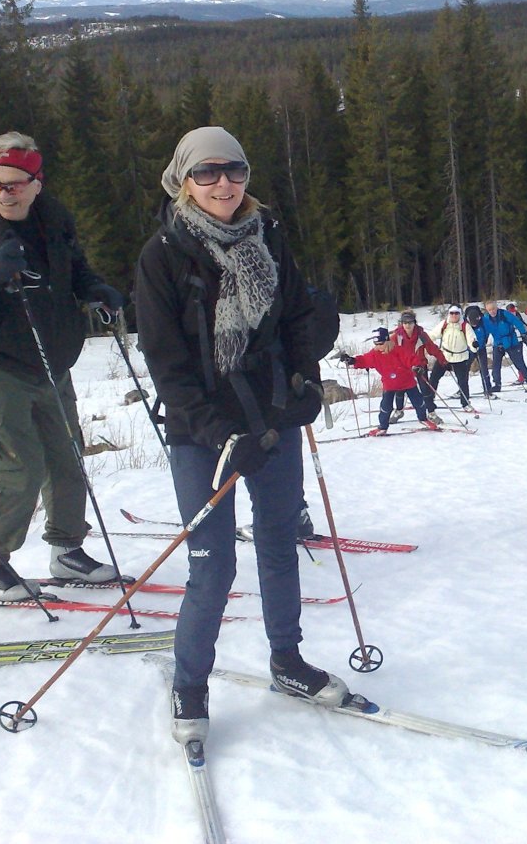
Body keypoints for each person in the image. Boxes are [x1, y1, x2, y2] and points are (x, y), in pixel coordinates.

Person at [135, 126, 347, 744]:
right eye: (208, 172)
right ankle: (190, 686)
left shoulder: (270, 237)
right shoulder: (165, 254)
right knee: (213, 566)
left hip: (271, 421)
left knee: (280, 544)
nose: (223, 182)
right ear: (184, 180)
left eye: (234, 170)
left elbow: (295, 319)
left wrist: (306, 377)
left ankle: (287, 661)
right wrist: (220, 429)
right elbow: (166, 362)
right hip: (203, 433)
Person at [0, 132, 124, 600]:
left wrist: (95, 290)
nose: (3, 193)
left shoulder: (53, 216)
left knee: (67, 459)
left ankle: (66, 549)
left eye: (16, 183)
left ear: (37, 182)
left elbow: (75, 268)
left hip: (50, 362)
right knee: (17, 469)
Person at [342, 328, 437, 435]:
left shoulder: (399, 350)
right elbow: (364, 360)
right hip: (389, 384)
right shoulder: (375, 354)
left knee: (418, 402)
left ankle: (423, 419)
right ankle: (382, 427)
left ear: (387, 341)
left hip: (407, 382)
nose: (378, 346)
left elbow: (411, 359)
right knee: (386, 406)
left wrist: (417, 366)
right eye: (376, 344)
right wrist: (352, 360)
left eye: (381, 343)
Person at [390, 310, 448, 425]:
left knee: (425, 389)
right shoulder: (397, 336)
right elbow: (390, 351)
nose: (407, 325)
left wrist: (443, 360)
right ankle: (399, 410)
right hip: (403, 367)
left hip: (419, 366)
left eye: (410, 322)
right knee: (400, 390)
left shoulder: (421, 335)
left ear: (414, 323)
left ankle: (431, 413)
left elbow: (432, 348)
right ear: (402, 323)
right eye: (405, 323)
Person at [427, 305, 478, 410]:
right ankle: (429, 401)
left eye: (456, 313)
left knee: (463, 382)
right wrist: (424, 342)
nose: (454, 315)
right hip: (444, 357)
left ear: (460, 314)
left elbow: (471, 338)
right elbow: (432, 335)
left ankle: (465, 404)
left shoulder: (465, 326)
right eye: (452, 313)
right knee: (433, 378)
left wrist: (474, 345)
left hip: (460, 358)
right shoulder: (444, 324)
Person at [480, 300, 527, 391]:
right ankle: (497, 385)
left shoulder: (504, 314)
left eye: (493, 309)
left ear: (497, 307)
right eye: (490, 310)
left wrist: (523, 332)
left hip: (511, 342)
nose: (492, 311)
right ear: (487, 310)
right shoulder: (486, 318)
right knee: (496, 366)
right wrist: (483, 339)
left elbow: (516, 322)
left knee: (519, 363)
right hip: (498, 344)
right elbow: (485, 330)